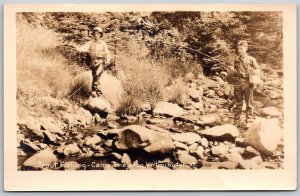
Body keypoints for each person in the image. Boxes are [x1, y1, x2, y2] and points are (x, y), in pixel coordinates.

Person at [74, 27, 111, 97]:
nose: (96, 35)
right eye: (95, 33)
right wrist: (78, 49)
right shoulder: (91, 42)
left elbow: (107, 53)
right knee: (95, 78)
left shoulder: (103, 44)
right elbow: (84, 47)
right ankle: (97, 93)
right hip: (94, 62)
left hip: (101, 62)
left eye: (97, 33)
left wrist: (108, 60)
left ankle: (95, 92)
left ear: (100, 34)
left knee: (97, 75)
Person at [231, 40, 260, 128]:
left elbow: (258, 71)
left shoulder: (251, 59)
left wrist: (253, 70)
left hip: (248, 83)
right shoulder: (236, 59)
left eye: (241, 48)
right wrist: (232, 71)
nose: (239, 50)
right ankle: (236, 121)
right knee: (238, 104)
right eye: (238, 49)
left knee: (249, 104)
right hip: (238, 83)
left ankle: (249, 122)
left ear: (246, 48)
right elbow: (235, 72)